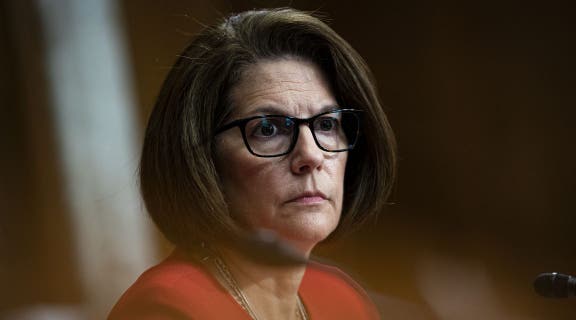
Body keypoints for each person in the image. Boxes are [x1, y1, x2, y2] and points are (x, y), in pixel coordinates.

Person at [108, 7, 396, 320]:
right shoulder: (165, 309)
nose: (311, 156)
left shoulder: (343, 301)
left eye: (326, 124)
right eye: (268, 129)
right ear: (202, 159)